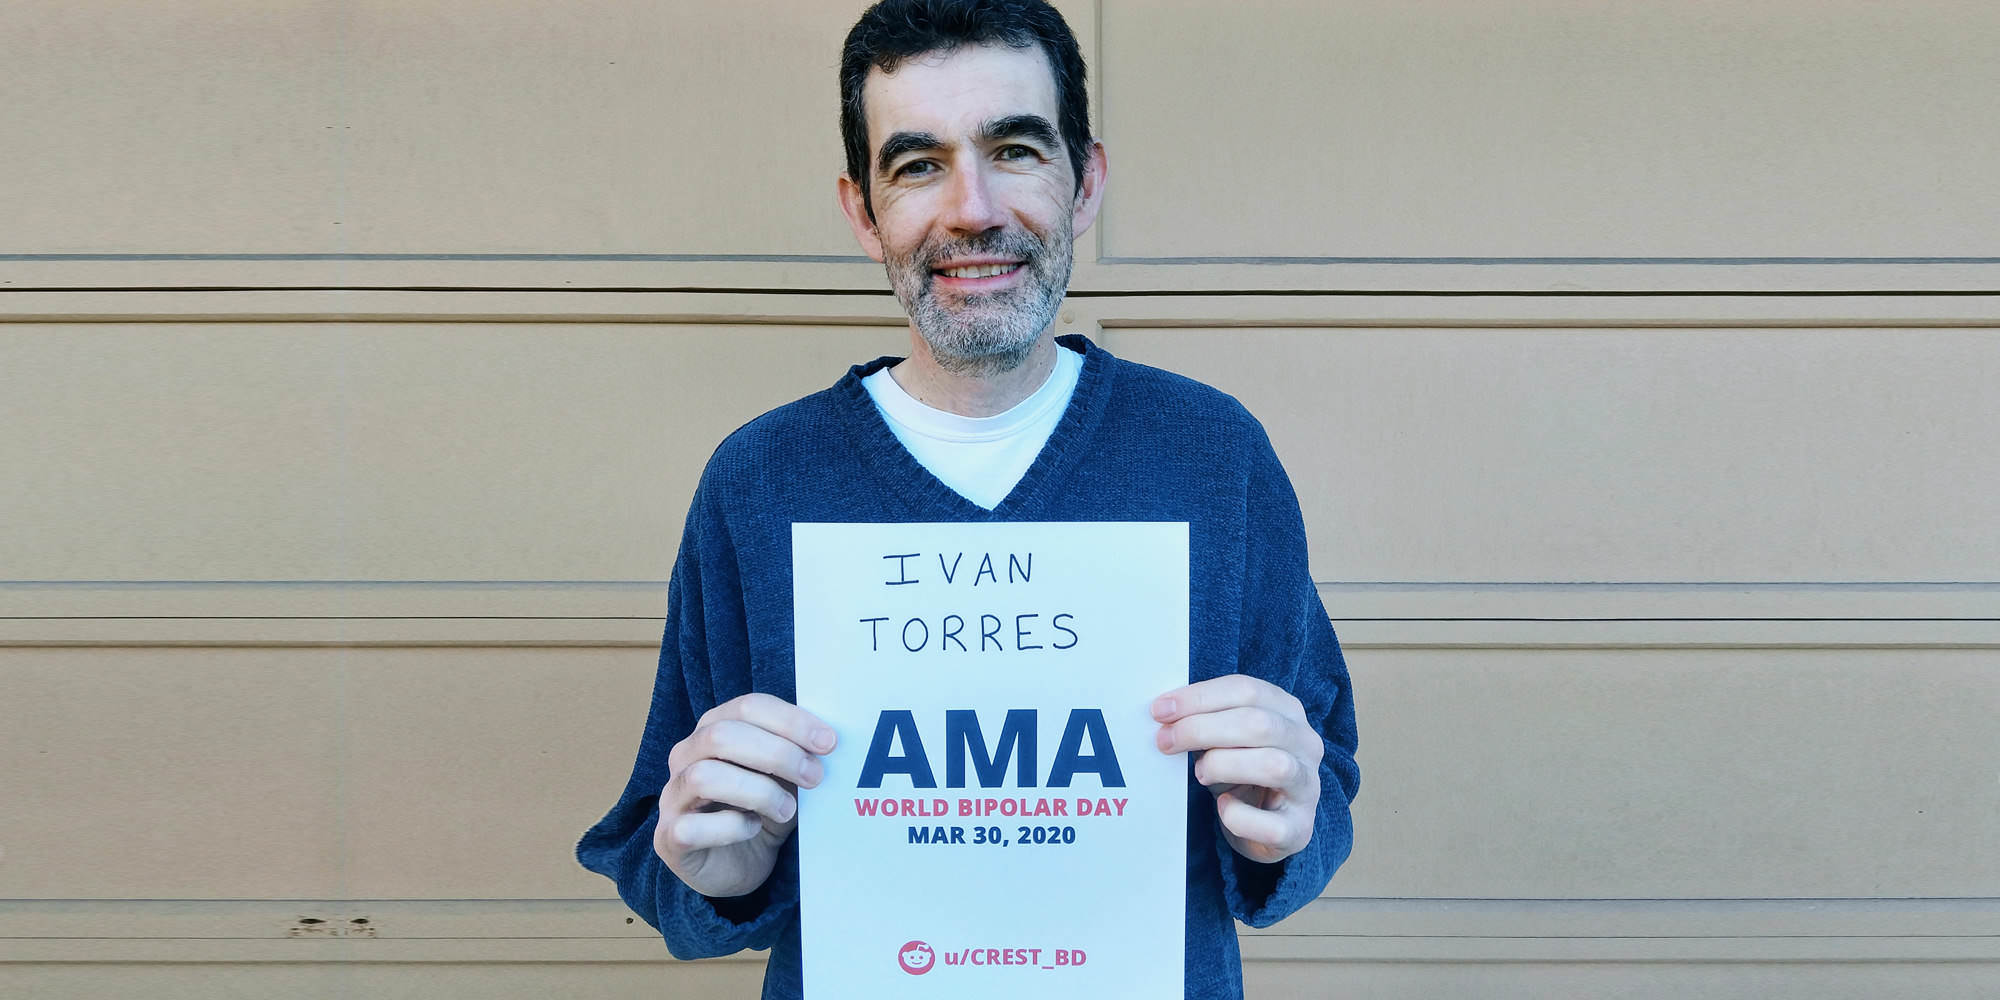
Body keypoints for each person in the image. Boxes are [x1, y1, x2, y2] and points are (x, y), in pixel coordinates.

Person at [576, 2, 1359, 996]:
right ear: (862, 212)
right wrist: (717, 876)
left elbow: (1318, 793)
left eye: (1015, 148)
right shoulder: (760, 479)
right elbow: (660, 855)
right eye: (916, 164)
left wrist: (1286, 823)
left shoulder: (1212, 455)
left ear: (1084, 183)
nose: (972, 208)